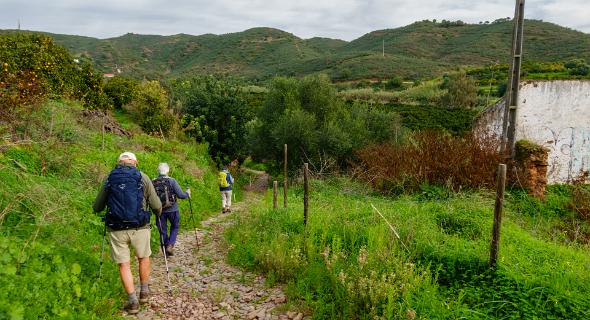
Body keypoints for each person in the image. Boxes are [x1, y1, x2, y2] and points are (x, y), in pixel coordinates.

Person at [93, 152, 162, 315]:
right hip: (140, 227)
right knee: (143, 258)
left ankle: (132, 301)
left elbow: (97, 207)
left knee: (124, 264)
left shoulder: (110, 178)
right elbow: (156, 204)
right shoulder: (142, 177)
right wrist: (158, 213)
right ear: (135, 162)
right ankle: (144, 292)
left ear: (119, 163)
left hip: (116, 228)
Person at [152, 162, 190, 256]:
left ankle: (165, 250)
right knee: (175, 226)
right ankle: (170, 245)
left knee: (162, 230)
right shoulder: (172, 181)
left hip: (159, 210)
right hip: (173, 209)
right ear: (168, 170)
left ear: (158, 171)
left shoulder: (153, 181)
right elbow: (181, 195)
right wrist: (187, 194)